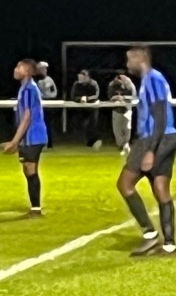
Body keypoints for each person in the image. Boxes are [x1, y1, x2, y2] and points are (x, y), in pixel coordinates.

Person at [116, 47, 176, 257]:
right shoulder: (152, 79)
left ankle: (150, 234)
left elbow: (160, 116)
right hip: (166, 137)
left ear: (139, 59)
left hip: (154, 138)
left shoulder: (153, 79)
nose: (127, 64)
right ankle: (169, 245)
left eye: (129, 60)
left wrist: (151, 150)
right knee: (160, 188)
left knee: (124, 184)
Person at [0, 59, 48, 217]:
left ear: (27, 72)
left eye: (18, 67)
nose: (15, 69)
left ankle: (36, 209)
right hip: (28, 137)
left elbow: (27, 117)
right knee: (27, 170)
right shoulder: (25, 88)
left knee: (30, 169)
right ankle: (34, 207)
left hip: (33, 136)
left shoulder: (28, 89)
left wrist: (14, 141)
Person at [70, 69, 102, 149]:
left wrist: (87, 98)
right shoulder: (76, 84)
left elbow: (96, 95)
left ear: (87, 77)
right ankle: (90, 142)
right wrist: (80, 99)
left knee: (92, 125)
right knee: (83, 125)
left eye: (82, 77)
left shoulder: (93, 83)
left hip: (92, 108)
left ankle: (93, 141)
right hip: (81, 109)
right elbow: (73, 96)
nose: (80, 79)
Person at [107, 72, 137, 155]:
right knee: (117, 130)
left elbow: (134, 97)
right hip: (116, 110)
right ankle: (121, 146)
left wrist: (123, 97)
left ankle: (126, 145)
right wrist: (116, 98)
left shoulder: (130, 85)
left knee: (127, 129)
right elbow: (110, 96)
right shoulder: (112, 85)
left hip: (127, 109)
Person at [35, 61, 58, 148]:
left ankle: (48, 143)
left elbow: (51, 94)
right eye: (42, 69)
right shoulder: (36, 80)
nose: (44, 70)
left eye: (45, 69)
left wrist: (41, 96)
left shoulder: (48, 80)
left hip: (47, 104)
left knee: (46, 123)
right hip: (39, 104)